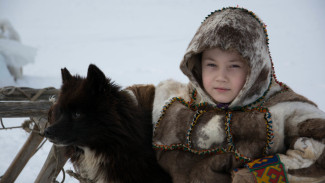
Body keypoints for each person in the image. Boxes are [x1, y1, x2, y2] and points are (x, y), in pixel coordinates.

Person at [127, 7, 325, 182]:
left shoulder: (283, 110)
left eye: (234, 66)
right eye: (211, 65)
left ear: (255, 69)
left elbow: (319, 150)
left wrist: (259, 176)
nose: (221, 77)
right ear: (197, 65)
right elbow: (128, 103)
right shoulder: (175, 99)